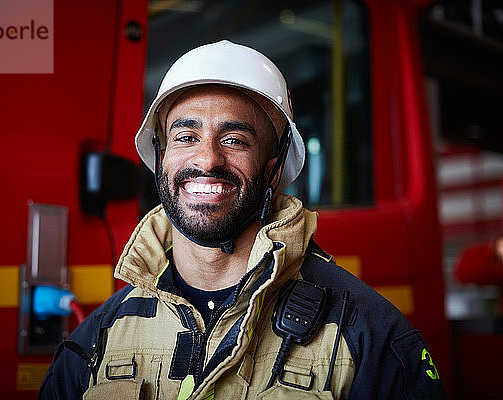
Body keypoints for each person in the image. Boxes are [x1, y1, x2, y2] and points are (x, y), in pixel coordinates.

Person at [39, 40, 446, 399]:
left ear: (272, 169)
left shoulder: (369, 338)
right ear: (161, 157)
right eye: (185, 137)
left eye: (234, 140)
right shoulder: (96, 342)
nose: (207, 159)